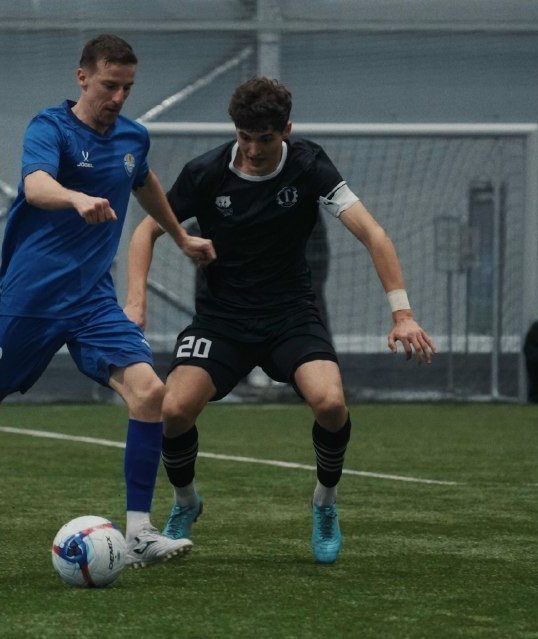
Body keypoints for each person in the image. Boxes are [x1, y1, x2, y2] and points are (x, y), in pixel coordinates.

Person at [0, 34, 216, 578]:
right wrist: (75, 197)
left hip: (92, 301)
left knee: (149, 392)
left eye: (127, 88)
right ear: (83, 77)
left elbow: (143, 180)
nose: (118, 98)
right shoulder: (50, 128)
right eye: (109, 85)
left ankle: (139, 533)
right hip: (31, 299)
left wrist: (180, 236)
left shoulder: (133, 136)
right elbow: (37, 185)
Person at [124, 77, 436, 564]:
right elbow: (145, 231)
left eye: (265, 139)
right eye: (244, 137)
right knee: (174, 410)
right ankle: (186, 502)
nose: (252, 150)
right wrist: (135, 302)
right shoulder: (205, 173)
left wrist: (403, 314)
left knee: (330, 403)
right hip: (222, 320)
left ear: (286, 130)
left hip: (290, 315)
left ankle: (325, 503)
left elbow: (373, 233)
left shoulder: (309, 165)